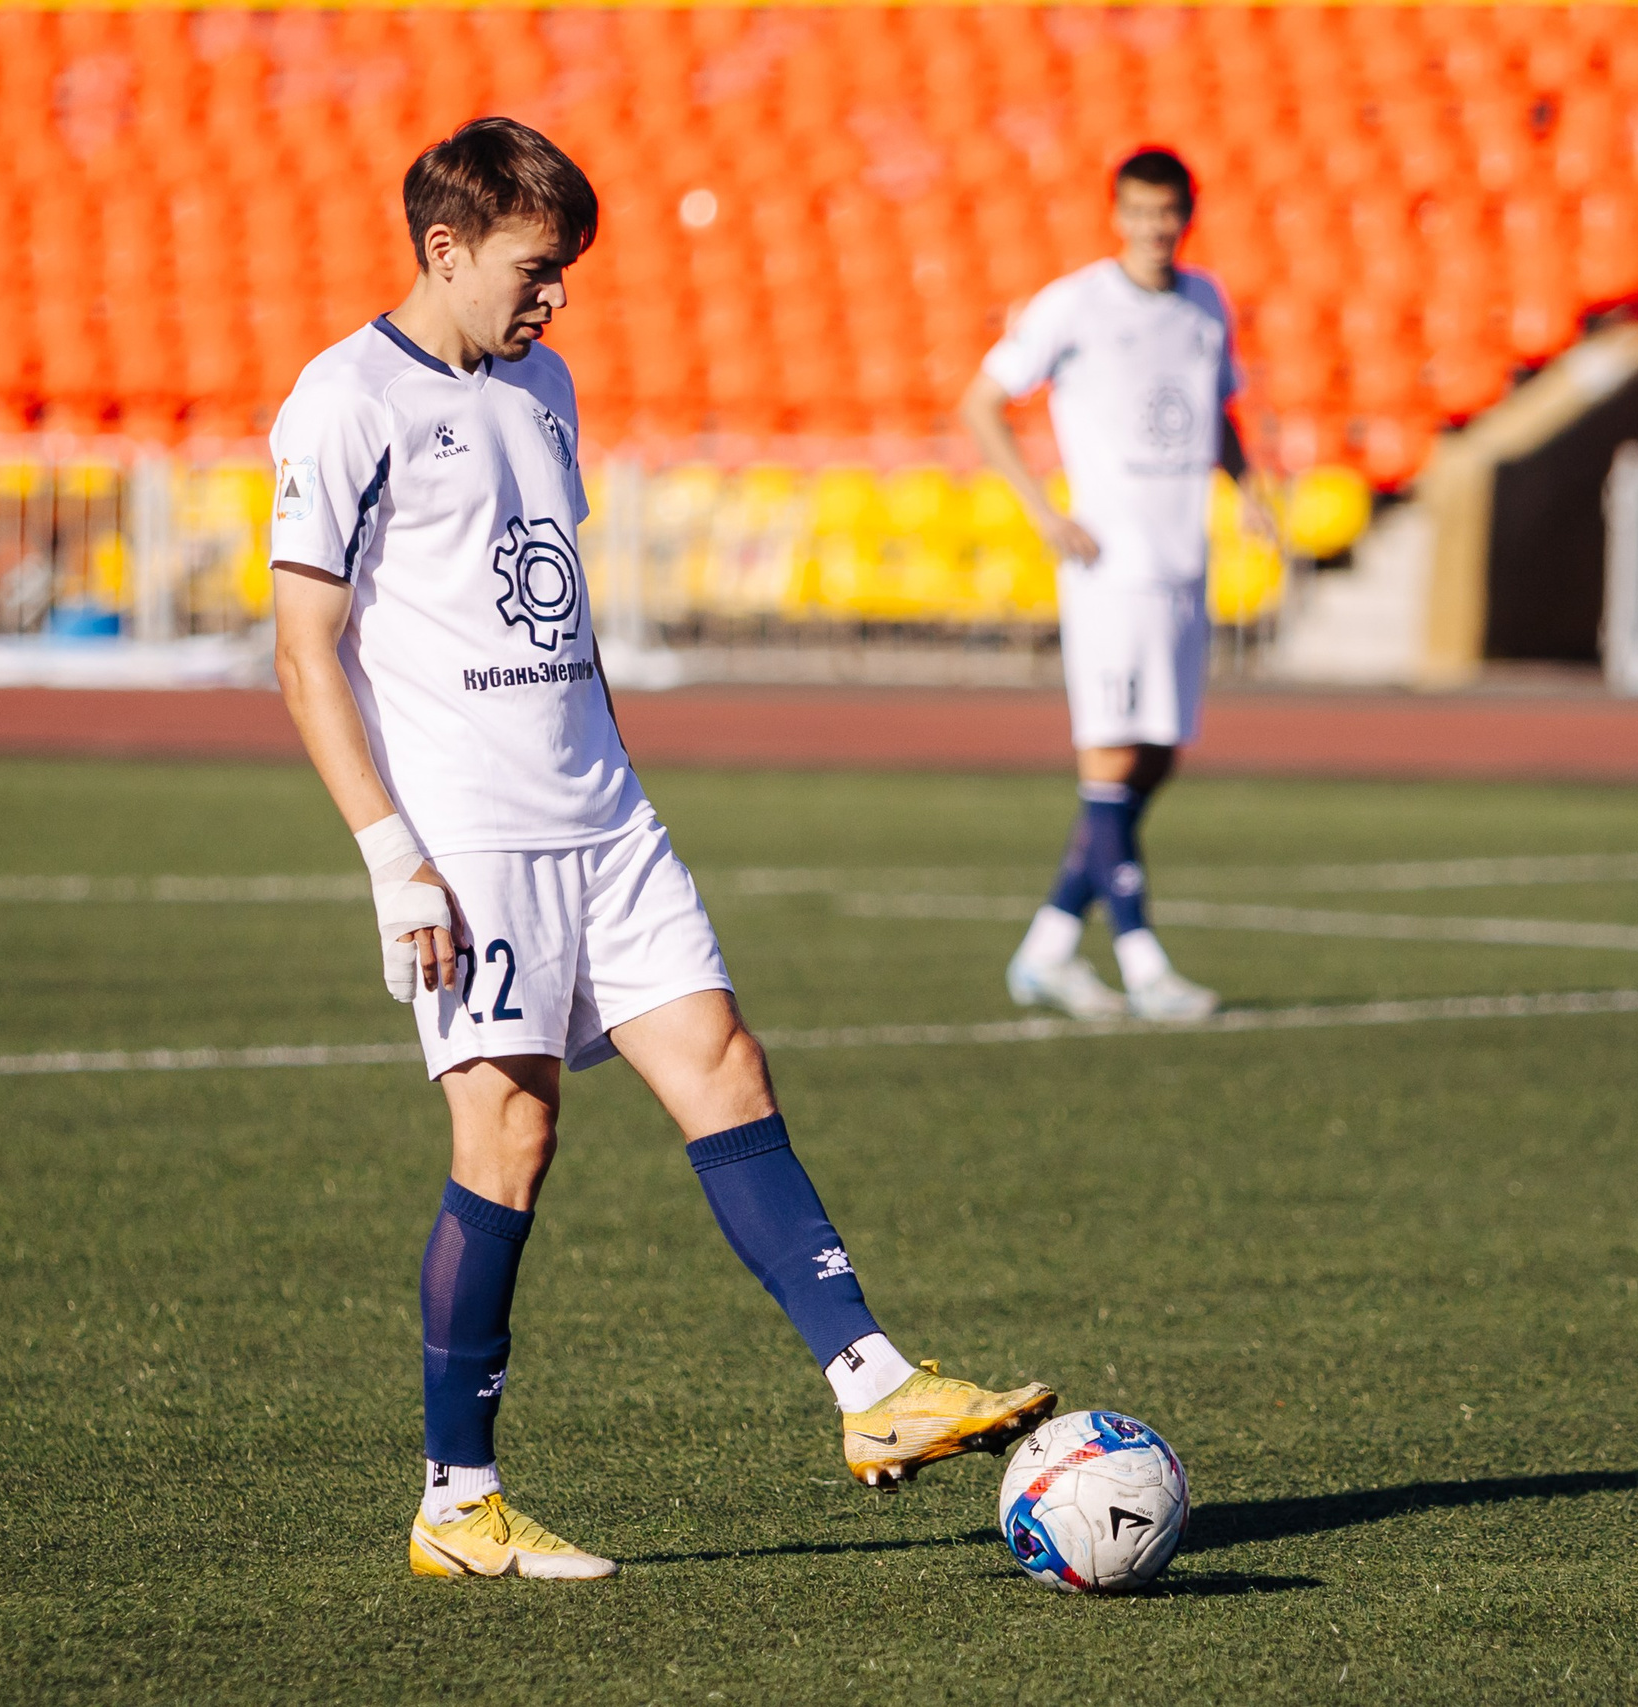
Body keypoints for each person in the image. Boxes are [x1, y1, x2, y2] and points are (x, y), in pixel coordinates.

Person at [267, 118, 1055, 1582]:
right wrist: (392, 853)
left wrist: (617, 770)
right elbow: (305, 649)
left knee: (725, 1065)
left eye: (563, 271)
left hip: (603, 815)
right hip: (473, 839)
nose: (553, 296)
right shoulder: (344, 400)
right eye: (532, 266)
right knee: (510, 1141)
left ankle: (873, 1385)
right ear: (444, 247)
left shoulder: (545, 384)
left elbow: (554, 613)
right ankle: (458, 1497)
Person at [960, 147, 1267, 1024]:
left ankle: (1050, 948)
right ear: (1117, 214)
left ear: (1186, 215)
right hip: (1109, 569)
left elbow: (1220, 411)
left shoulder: (1206, 303)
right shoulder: (1077, 303)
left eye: (1166, 212)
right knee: (1112, 759)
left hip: (1182, 562)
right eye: (1137, 211)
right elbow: (982, 401)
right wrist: (1044, 511)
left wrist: (1249, 494)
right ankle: (1143, 961)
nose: (1152, 228)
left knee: (1156, 756)